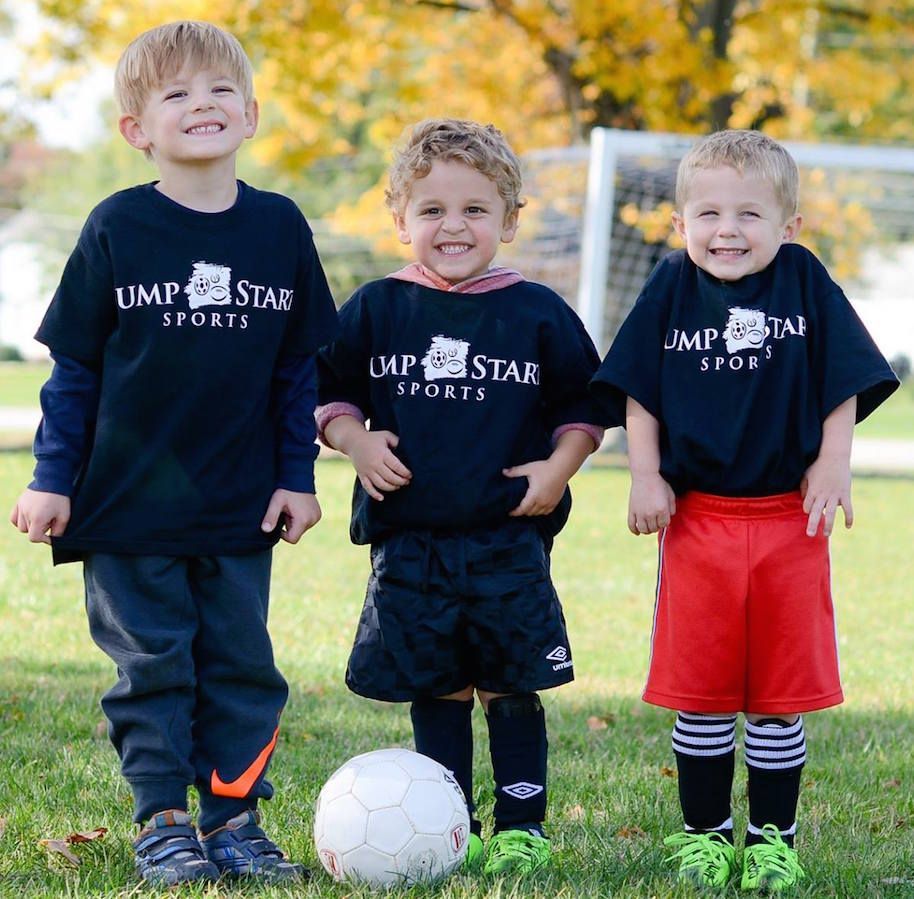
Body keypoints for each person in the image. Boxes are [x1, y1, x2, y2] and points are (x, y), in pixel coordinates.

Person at [8, 21, 339, 887]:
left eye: (220, 89)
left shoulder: (279, 226)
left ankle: (235, 820)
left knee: (240, 663)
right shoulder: (117, 224)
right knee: (152, 664)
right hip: (125, 504)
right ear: (136, 129)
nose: (203, 105)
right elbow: (76, 368)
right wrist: (51, 479)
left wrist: (296, 478)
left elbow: (296, 371)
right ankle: (162, 820)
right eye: (177, 94)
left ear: (253, 112)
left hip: (238, 504)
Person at [590, 129, 899, 892]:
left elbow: (845, 378)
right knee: (702, 691)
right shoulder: (669, 283)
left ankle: (773, 838)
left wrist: (833, 462)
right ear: (680, 223)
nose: (727, 230)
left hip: (790, 522)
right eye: (709, 214)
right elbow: (638, 391)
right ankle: (703, 834)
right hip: (699, 521)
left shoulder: (803, 280)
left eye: (750, 215)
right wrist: (645, 475)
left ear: (788, 225)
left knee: (776, 700)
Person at [316, 118, 608, 875]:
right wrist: (357, 442)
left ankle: (521, 826)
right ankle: (451, 823)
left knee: (510, 684)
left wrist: (558, 471)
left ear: (510, 220)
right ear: (400, 218)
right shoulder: (378, 307)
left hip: (508, 539)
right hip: (411, 542)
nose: (454, 226)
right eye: (433, 210)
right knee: (439, 687)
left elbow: (584, 410)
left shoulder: (537, 310)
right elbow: (329, 396)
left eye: (476, 209)